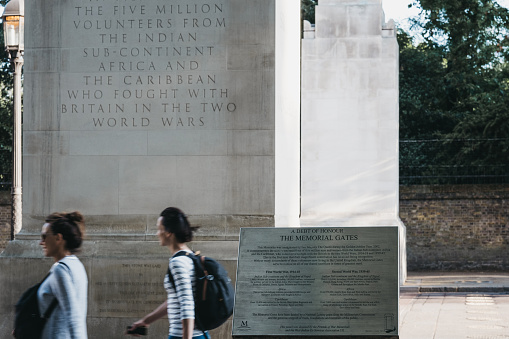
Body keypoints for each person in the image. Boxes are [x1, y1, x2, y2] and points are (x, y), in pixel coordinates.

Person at [127, 207, 210, 339]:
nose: (157, 233)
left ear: (169, 232)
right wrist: (146, 321)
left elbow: (187, 305)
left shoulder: (178, 262)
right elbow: (175, 299)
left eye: (159, 229)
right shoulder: (190, 257)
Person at [38, 211, 88, 339]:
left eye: (44, 236)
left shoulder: (61, 270)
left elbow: (74, 317)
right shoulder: (76, 265)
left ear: (58, 238)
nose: (41, 242)